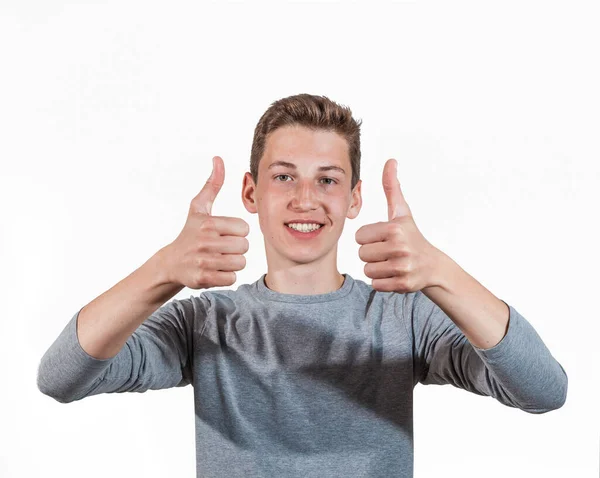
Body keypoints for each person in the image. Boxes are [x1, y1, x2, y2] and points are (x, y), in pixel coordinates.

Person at [37, 94, 568, 478]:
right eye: (284, 176)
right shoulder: (204, 321)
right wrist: (161, 271)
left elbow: (545, 391)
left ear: (355, 199)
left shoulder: (403, 317)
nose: (305, 199)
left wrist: (442, 272)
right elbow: (60, 377)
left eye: (328, 180)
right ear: (251, 191)